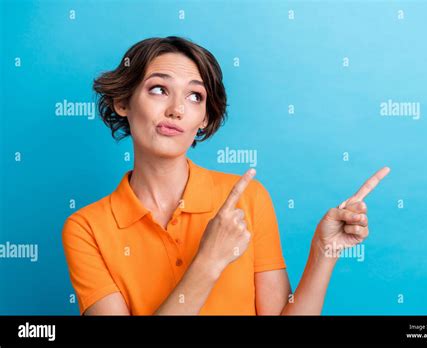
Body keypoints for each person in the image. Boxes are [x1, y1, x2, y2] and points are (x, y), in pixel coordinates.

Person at [62, 36, 390, 316]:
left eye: (195, 96)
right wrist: (209, 260)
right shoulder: (86, 229)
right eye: (159, 89)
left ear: (203, 118)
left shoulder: (247, 196)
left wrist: (323, 253)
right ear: (123, 102)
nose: (177, 109)